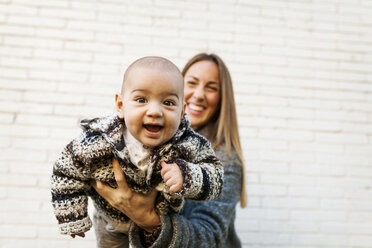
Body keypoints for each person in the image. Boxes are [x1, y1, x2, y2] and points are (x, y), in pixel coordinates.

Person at [50, 56, 224, 247]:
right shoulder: (99, 141)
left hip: (160, 225)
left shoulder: (188, 143)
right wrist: (72, 213)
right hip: (111, 222)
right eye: (141, 99)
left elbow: (215, 176)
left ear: (182, 111)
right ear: (121, 106)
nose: (155, 111)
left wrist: (188, 175)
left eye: (168, 103)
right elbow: (66, 168)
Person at [93, 53, 247, 247]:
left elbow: (210, 238)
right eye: (192, 83)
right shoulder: (137, 145)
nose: (199, 95)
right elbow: (107, 220)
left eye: (212, 88)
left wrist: (147, 220)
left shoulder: (224, 161)